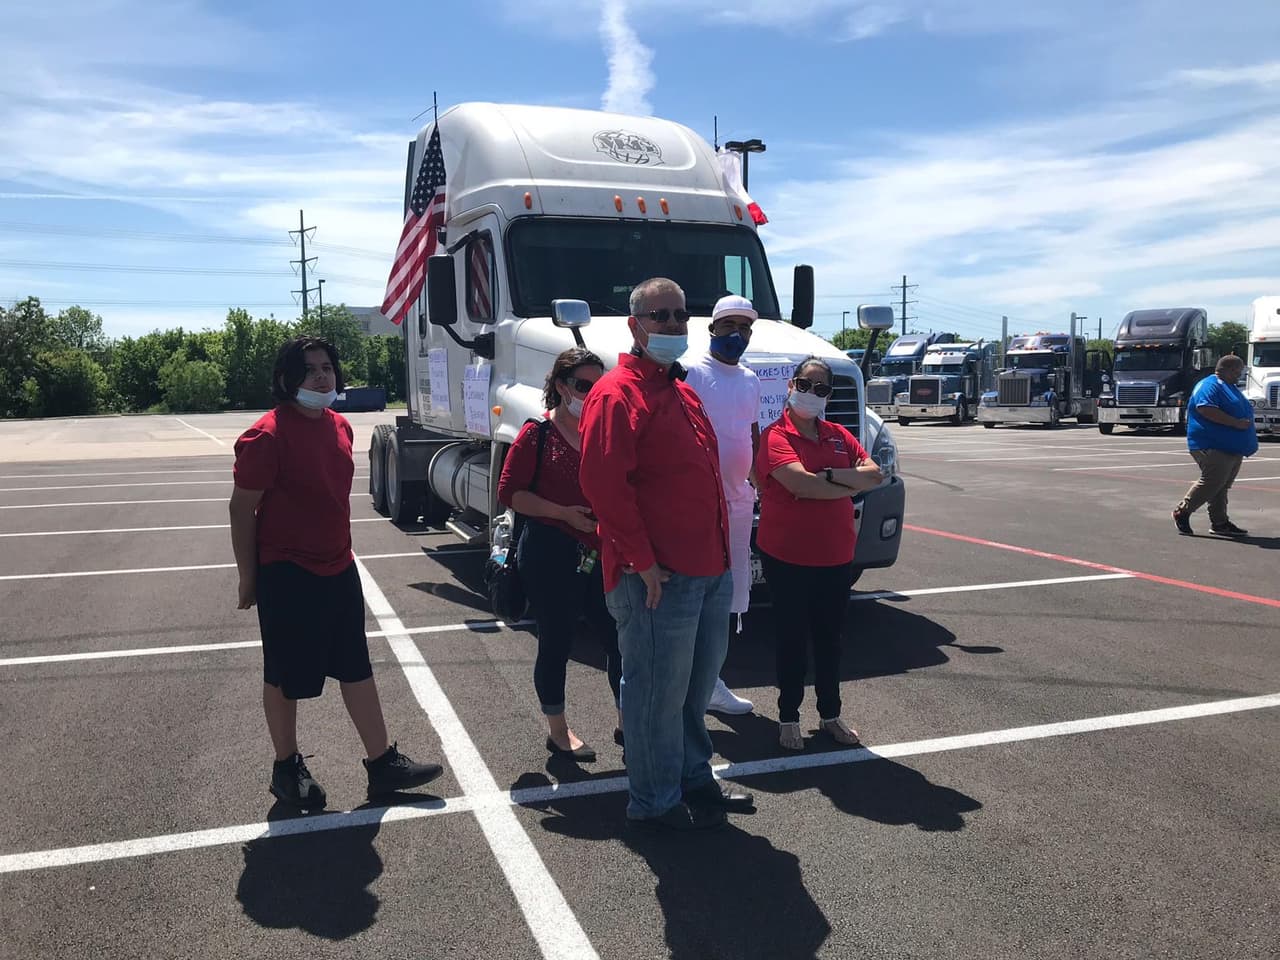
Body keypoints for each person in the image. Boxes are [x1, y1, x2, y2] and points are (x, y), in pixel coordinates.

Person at [230, 335, 443, 810]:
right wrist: (249, 576)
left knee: (355, 665)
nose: (322, 376)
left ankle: (382, 764)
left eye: (327, 367)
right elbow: (241, 510)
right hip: (286, 573)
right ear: (287, 379)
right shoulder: (267, 435)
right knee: (284, 676)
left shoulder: (340, 426)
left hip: (339, 567)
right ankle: (287, 769)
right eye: (309, 370)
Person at [579, 277, 754, 832]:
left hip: (709, 568)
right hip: (658, 577)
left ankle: (694, 778)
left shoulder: (680, 390)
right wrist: (641, 561)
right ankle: (654, 803)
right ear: (635, 325)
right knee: (655, 693)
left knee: (694, 689)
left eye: (681, 314)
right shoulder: (616, 393)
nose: (675, 324)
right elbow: (605, 485)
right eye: (661, 316)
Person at [496, 347, 623, 762]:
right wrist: (563, 514)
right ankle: (558, 729)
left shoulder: (604, 432)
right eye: (584, 385)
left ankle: (628, 721)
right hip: (550, 552)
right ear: (561, 386)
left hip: (600, 551)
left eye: (598, 385)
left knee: (619, 639)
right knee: (557, 641)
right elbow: (510, 494)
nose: (591, 393)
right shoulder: (538, 433)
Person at [754, 356, 883, 752]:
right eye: (805, 385)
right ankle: (788, 717)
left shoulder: (839, 435)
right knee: (792, 639)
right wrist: (845, 482)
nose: (812, 394)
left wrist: (824, 477)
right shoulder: (775, 436)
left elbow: (875, 475)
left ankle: (831, 715)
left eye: (821, 388)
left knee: (830, 640)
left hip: (835, 555)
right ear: (791, 386)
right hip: (788, 556)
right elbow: (799, 485)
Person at [683, 294, 761, 716]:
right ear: (712, 328)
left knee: (730, 596)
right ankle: (693, 683)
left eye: (744, 328)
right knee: (699, 593)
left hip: (736, 504)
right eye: (728, 326)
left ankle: (711, 682)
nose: (737, 335)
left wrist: (759, 481)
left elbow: (752, 436)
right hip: (699, 506)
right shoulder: (692, 372)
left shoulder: (750, 379)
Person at [1173, 354, 1258, 537]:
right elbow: (1205, 408)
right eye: (1238, 371)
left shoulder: (1229, 387)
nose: (1240, 375)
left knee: (1221, 486)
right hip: (1211, 445)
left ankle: (1220, 522)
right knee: (1212, 482)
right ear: (1227, 369)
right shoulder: (1210, 385)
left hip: (1231, 447)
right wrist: (1235, 423)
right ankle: (1183, 511)